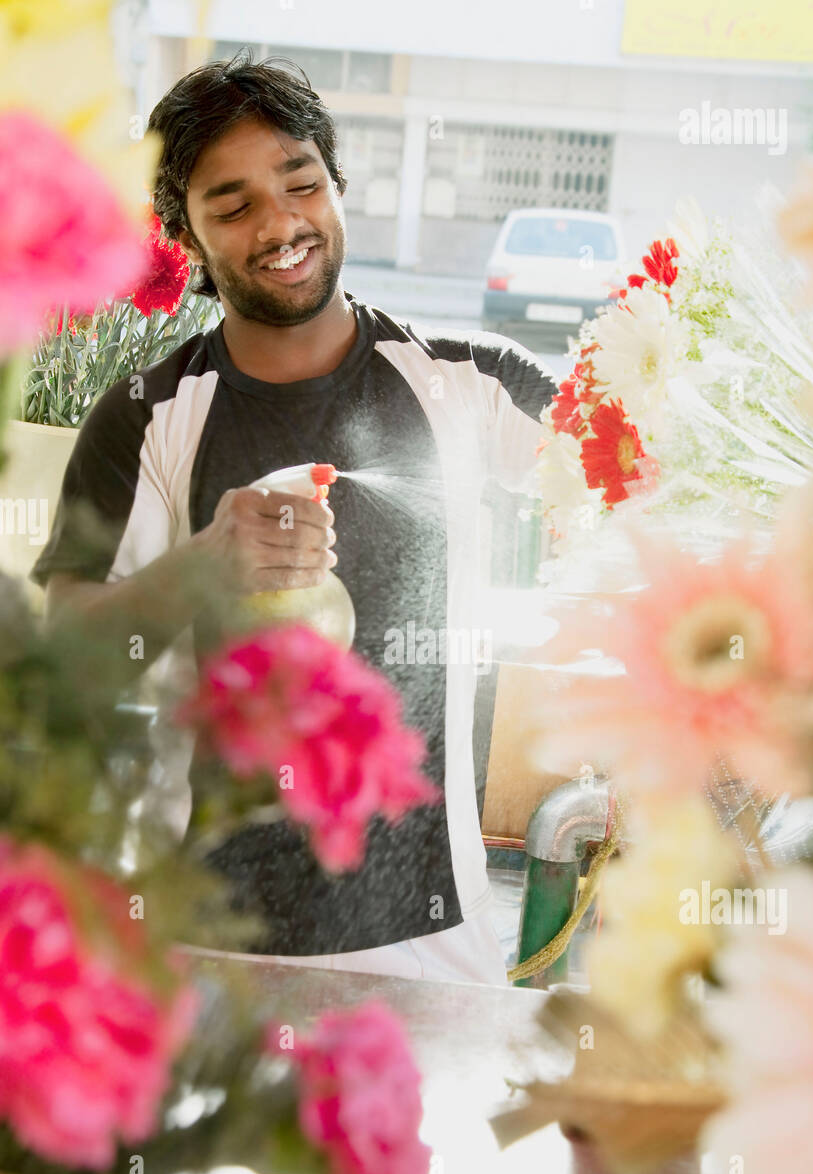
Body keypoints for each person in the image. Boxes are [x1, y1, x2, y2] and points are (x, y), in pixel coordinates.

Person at [33, 51, 558, 986]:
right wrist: (201, 565)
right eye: (232, 207)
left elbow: (641, 473)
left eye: (301, 183)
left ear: (337, 183)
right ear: (185, 237)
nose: (280, 225)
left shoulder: (473, 382)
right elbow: (65, 662)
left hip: (430, 933)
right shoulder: (145, 415)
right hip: (202, 940)